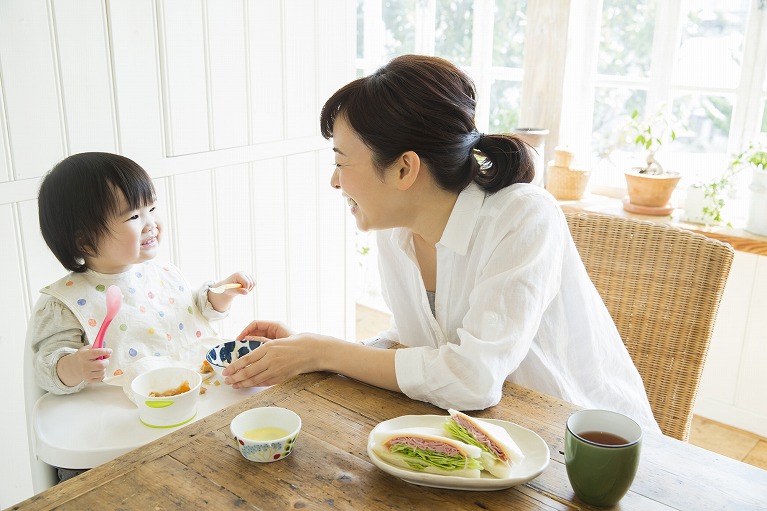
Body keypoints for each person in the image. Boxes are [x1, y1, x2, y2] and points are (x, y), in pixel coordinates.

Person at [222, 54, 660, 433]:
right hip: (483, 443)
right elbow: (425, 341)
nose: (334, 180)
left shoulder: (523, 216)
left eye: (341, 161)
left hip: (582, 446)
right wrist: (307, 350)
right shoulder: (396, 235)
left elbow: (473, 378)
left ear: (403, 170)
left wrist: (324, 352)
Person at [29, 151, 255, 399]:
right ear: (84, 241)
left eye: (152, 208)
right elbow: (45, 369)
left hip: (199, 391)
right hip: (123, 414)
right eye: (134, 216)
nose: (151, 224)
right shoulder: (67, 302)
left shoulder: (163, 274)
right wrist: (75, 366)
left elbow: (192, 313)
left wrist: (222, 293)